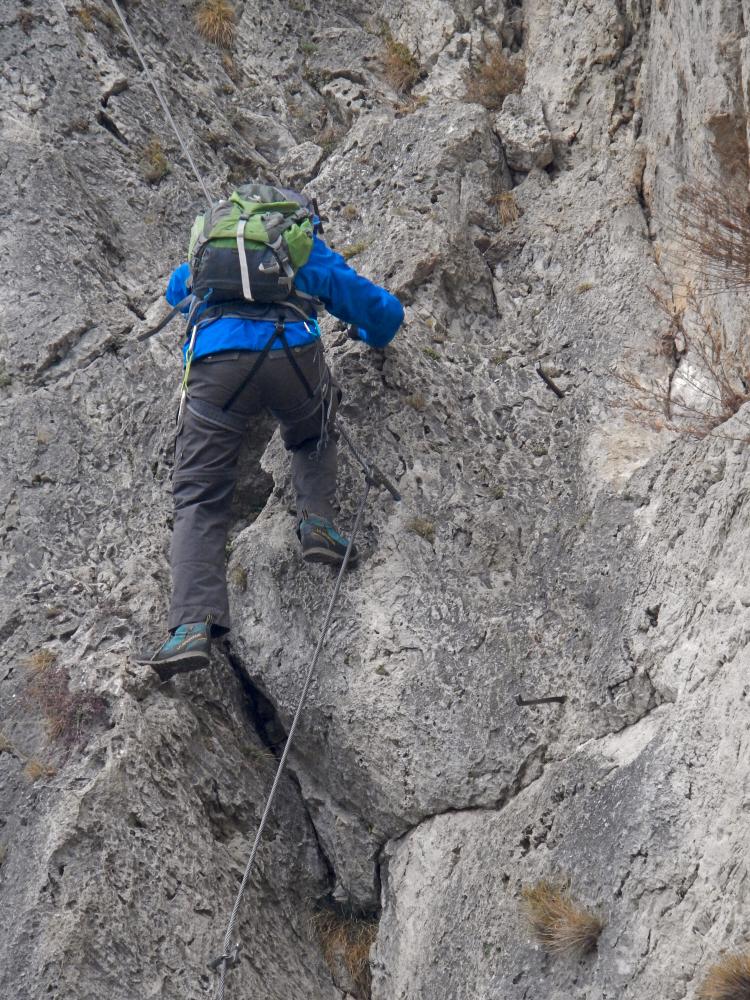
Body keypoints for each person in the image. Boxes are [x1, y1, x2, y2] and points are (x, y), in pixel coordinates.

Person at [138, 183, 404, 679]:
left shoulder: (210, 251)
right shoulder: (303, 247)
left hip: (217, 367)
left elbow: (177, 291)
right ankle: (317, 522)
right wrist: (366, 333)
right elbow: (382, 314)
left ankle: (191, 625)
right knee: (312, 429)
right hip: (291, 357)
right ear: (301, 220)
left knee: (198, 495)